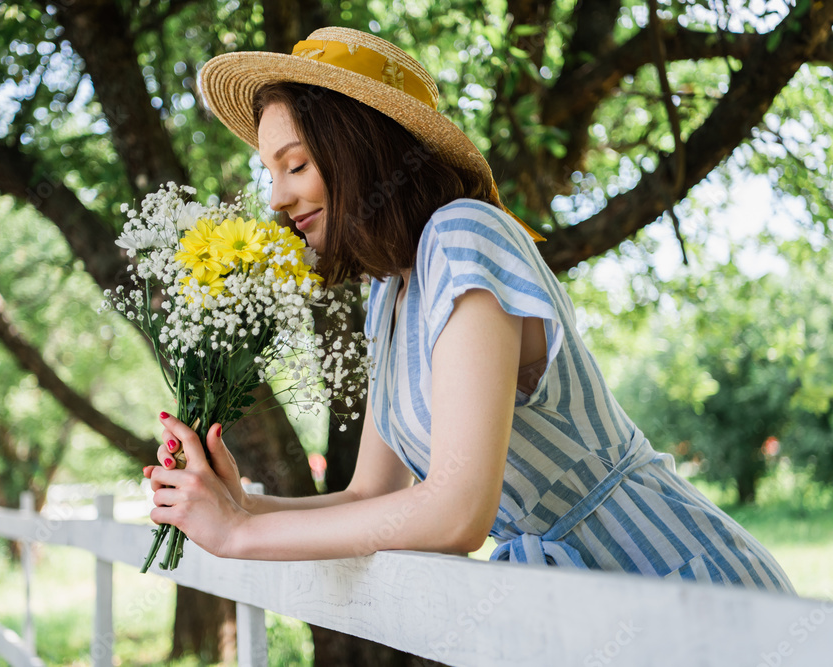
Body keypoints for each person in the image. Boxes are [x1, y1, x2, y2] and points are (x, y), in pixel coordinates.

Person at [142, 26, 795, 593]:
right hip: (579, 607)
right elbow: (371, 496)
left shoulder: (464, 236)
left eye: (297, 165)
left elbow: (458, 513)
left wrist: (239, 538)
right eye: (271, 173)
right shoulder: (392, 295)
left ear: (357, 147)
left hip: (674, 579)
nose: (278, 198)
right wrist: (241, 505)